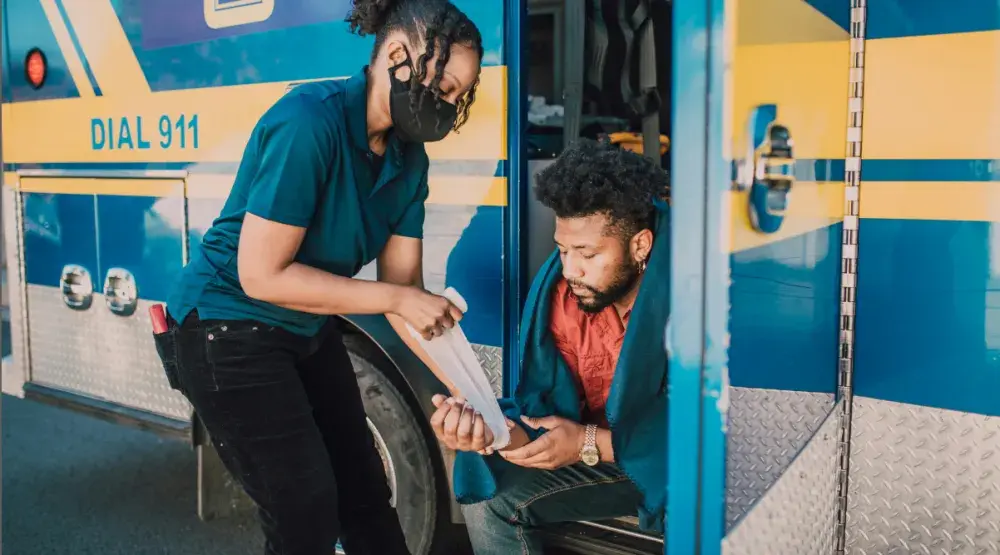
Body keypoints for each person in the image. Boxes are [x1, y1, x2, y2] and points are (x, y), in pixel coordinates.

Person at [152, 1, 483, 554]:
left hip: (303, 329)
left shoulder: (410, 160)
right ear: (397, 57)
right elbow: (261, 276)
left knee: (367, 500)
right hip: (224, 329)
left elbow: (403, 297)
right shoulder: (310, 120)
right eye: (444, 88)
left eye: (458, 96)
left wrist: (467, 392)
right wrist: (402, 297)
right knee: (304, 515)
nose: (448, 107)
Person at [429, 139, 670, 554]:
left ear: (640, 245)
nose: (570, 269)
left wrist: (585, 442)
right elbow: (548, 417)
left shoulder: (689, 297)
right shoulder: (562, 296)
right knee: (491, 494)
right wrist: (495, 432)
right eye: (562, 250)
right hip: (599, 452)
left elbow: (703, 438)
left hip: (671, 465)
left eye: (587, 254)